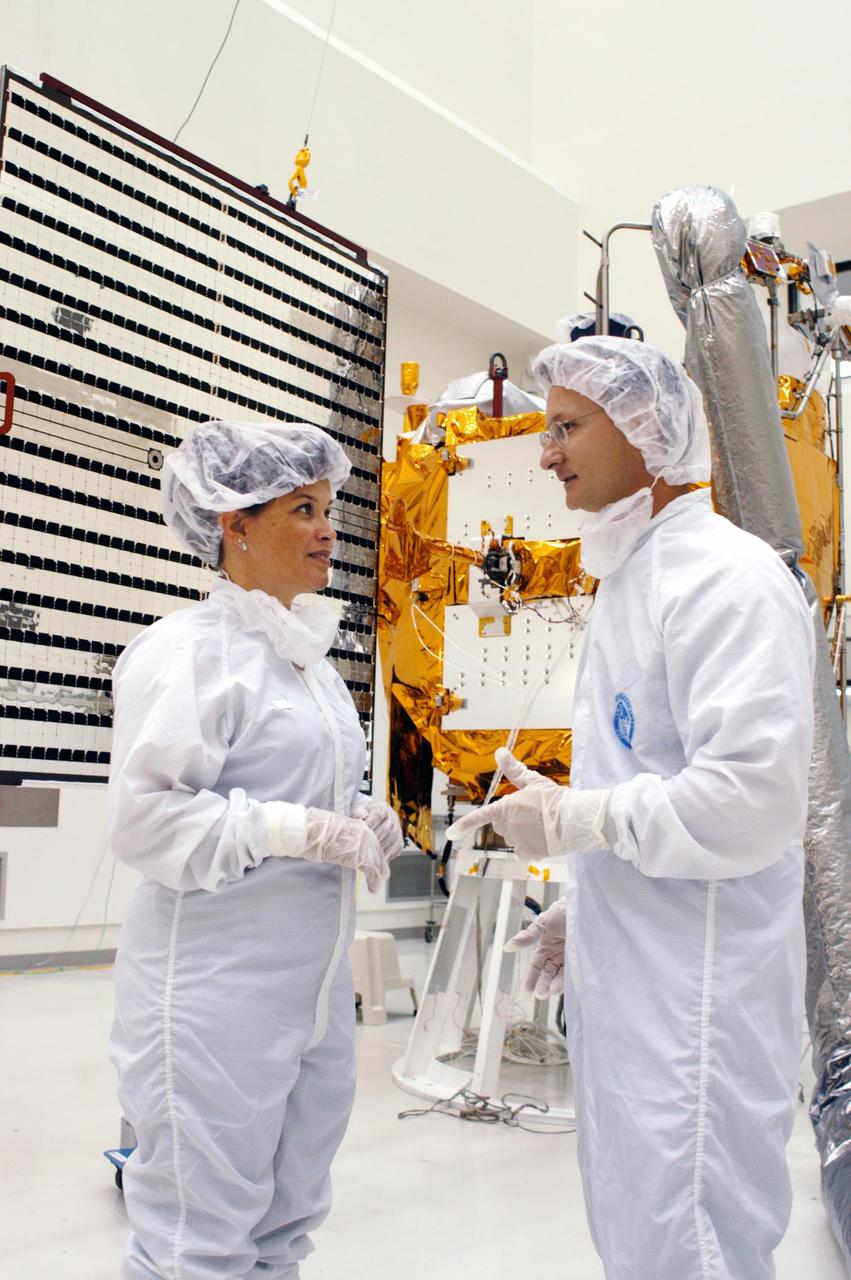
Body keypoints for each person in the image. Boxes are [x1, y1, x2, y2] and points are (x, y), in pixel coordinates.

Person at [447, 337, 815, 1280]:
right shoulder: (635, 581)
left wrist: (579, 824)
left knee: (690, 1243)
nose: (544, 452)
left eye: (567, 427)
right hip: (644, 979)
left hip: (697, 1003)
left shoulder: (723, 582)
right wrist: (593, 895)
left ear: (647, 435)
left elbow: (750, 802)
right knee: (642, 1233)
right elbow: (652, 772)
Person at [108, 419, 402, 1280]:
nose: (327, 530)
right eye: (301, 510)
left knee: (284, 1227)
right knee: (196, 1240)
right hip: (212, 999)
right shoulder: (186, 654)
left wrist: (360, 815)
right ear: (233, 524)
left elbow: (308, 789)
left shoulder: (305, 662)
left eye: (329, 509)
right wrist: (290, 829)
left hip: (307, 997)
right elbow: (145, 820)